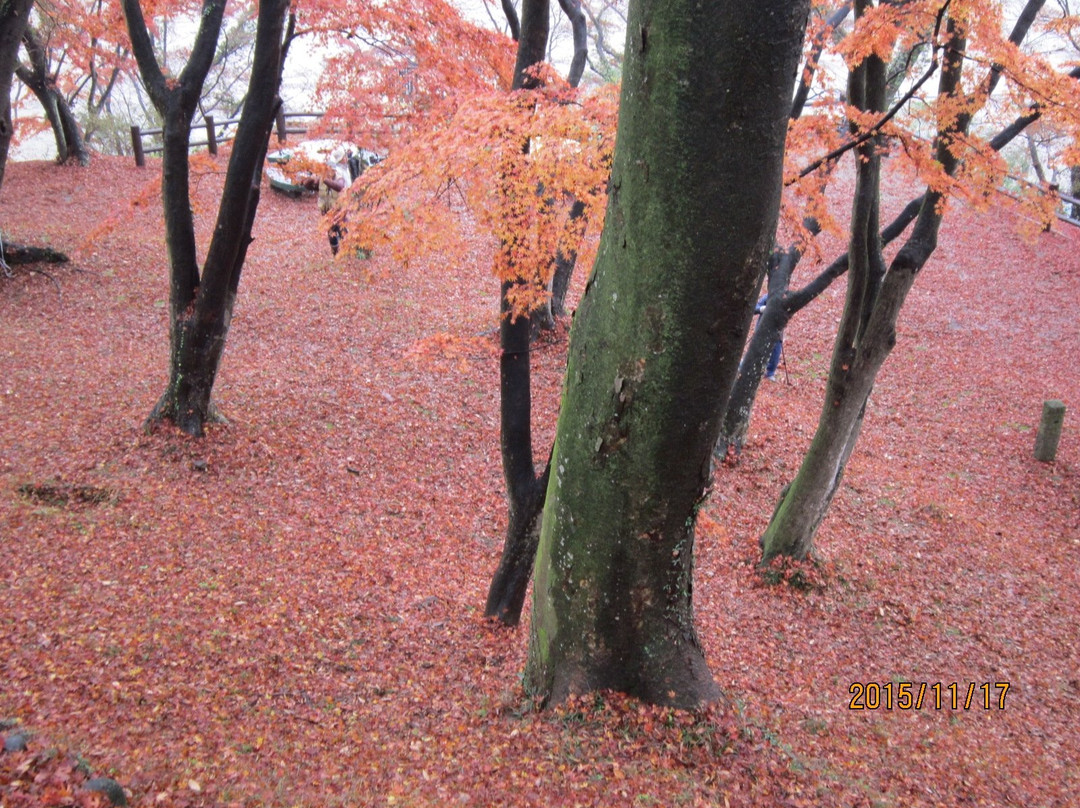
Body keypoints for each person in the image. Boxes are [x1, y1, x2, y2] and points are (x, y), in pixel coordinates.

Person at [754, 294, 784, 381]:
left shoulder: (785, 297)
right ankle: (747, 366)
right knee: (756, 350)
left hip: (777, 330)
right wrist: (761, 309)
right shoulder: (768, 296)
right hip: (763, 328)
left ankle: (770, 373)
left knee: (776, 353)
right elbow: (755, 308)